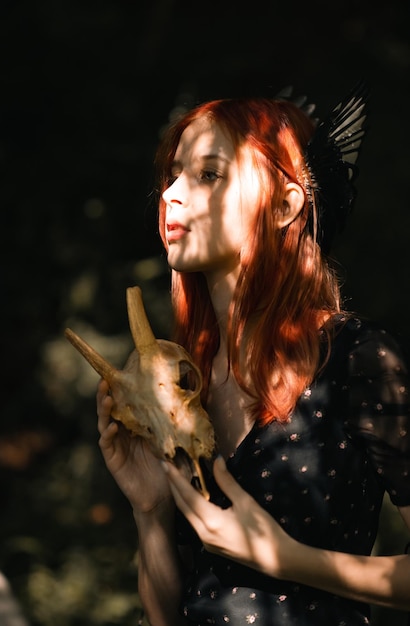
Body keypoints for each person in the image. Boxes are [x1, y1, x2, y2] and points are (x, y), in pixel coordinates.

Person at [96, 82, 410, 625]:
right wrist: (150, 513)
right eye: (173, 173)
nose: (171, 193)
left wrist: (286, 559)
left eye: (207, 174)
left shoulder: (355, 359)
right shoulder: (184, 381)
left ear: (286, 204)